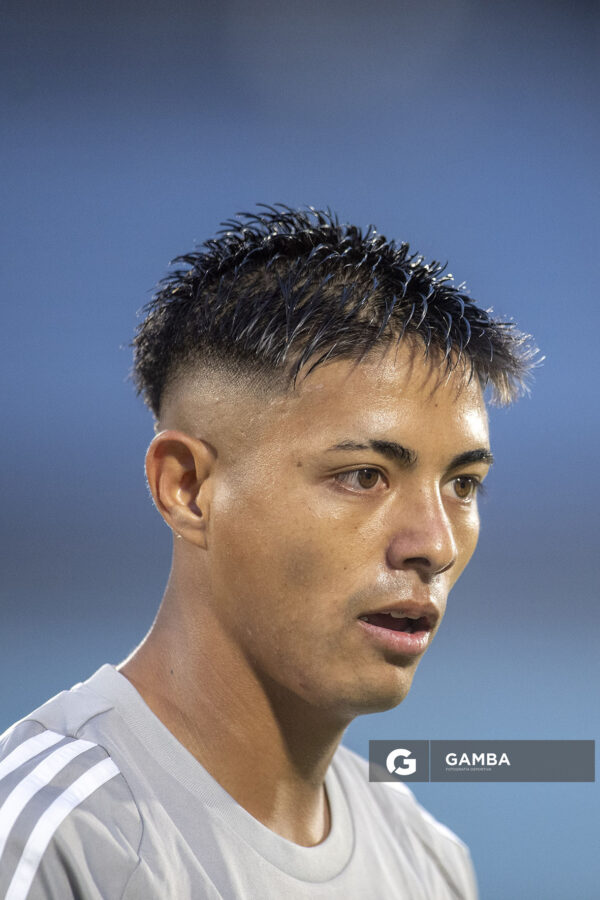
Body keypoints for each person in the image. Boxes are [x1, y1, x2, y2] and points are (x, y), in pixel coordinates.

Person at [0, 206, 536, 899]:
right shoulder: (49, 838)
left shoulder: (429, 865)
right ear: (188, 489)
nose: (433, 544)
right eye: (364, 476)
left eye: (463, 485)